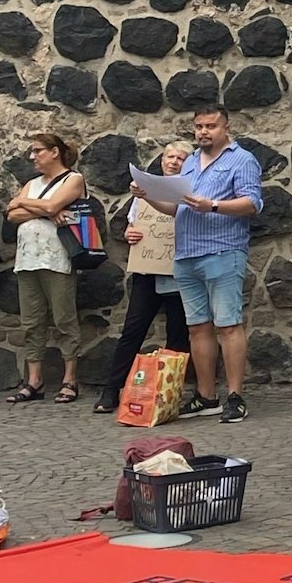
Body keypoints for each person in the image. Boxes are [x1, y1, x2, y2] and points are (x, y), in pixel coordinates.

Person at [131, 105, 262, 424]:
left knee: (228, 324)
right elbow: (176, 208)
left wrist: (212, 205)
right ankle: (207, 396)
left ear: (226, 128)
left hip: (222, 250)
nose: (204, 131)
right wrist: (147, 195)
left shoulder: (242, 160)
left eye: (211, 126)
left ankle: (235, 397)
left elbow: (252, 203)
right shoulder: (189, 162)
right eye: (199, 126)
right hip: (186, 253)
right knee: (198, 326)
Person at [96, 140, 192, 415]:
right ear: (161, 160)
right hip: (148, 270)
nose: (173, 161)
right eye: (170, 156)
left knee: (178, 333)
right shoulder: (143, 192)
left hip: (178, 271)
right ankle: (112, 389)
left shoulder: (192, 191)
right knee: (133, 329)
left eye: (180, 158)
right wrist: (130, 233)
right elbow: (133, 225)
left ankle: (168, 392)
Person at [4, 132, 87, 404]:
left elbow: (48, 204)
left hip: (57, 258)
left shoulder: (72, 179)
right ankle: (34, 380)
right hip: (28, 259)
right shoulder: (31, 184)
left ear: (54, 152)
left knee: (64, 319)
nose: (32, 157)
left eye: (38, 150)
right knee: (31, 321)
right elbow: (12, 215)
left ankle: (70, 379)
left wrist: (23, 202)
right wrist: (47, 211)